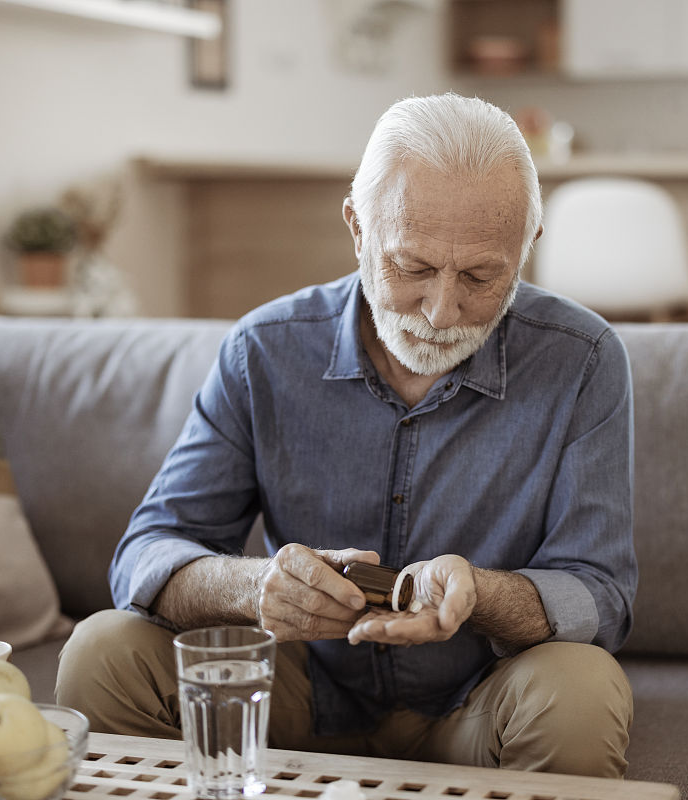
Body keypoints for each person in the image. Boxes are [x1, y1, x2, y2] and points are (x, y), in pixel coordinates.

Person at [56, 93, 637, 778]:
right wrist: (257, 587)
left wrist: (479, 594)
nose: (442, 310)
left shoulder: (584, 359)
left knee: (581, 691)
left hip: (478, 701)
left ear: (527, 248)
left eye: (482, 275)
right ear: (358, 228)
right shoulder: (264, 350)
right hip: (291, 698)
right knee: (103, 651)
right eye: (412, 267)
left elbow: (600, 595)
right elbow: (147, 554)